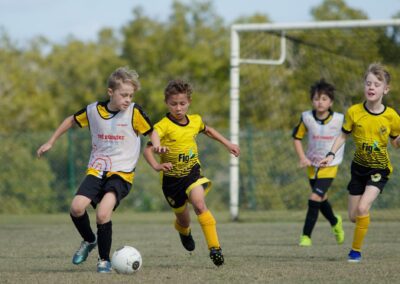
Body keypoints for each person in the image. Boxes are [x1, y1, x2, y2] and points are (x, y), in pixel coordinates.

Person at [37, 67, 166, 273]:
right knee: (77, 208)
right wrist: (51, 141)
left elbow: (152, 132)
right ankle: (89, 240)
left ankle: (104, 260)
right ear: (110, 92)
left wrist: (157, 146)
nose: (127, 99)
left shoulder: (134, 112)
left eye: (130, 95)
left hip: (122, 173)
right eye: (123, 95)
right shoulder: (93, 111)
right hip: (97, 170)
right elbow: (70, 120)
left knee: (102, 214)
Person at [143, 79, 240, 266]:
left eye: (182, 104)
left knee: (199, 203)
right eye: (173, 104)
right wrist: (156, 161)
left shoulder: (195, 120)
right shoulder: (164, 125)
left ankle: (215, 249)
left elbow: (208, 130)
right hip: (171, 182)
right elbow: (150, 142)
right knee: (184, 220)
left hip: (192, 174)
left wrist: (228, 143)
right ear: (167, 103)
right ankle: (184, 231)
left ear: (189, 102)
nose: (178, 108)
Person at [319, 63, 400, 262]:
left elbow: (396, 143)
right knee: (354, 217)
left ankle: (355, 251)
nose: (371, 87)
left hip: (379, 168)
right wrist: (330, 154)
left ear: (385, 89)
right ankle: (362, 219)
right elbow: (343, 136)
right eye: (368, 83)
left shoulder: (392, 116)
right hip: (358, 169)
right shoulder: (354, 112)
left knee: (363, 209)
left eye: (377, 84)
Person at [292, 79, 345, 247]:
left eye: (324, 99)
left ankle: (306, 236)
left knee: (314, 197)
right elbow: (297, 138)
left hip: (330, 165)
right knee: (321, 200)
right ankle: (335, 221)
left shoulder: (339, 119)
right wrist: (302, 157)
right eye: (316, 99)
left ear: (331, 102)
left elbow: (348, 134)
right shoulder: (306, 118)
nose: (319, 102)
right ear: (312, 101)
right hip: (312, 166)